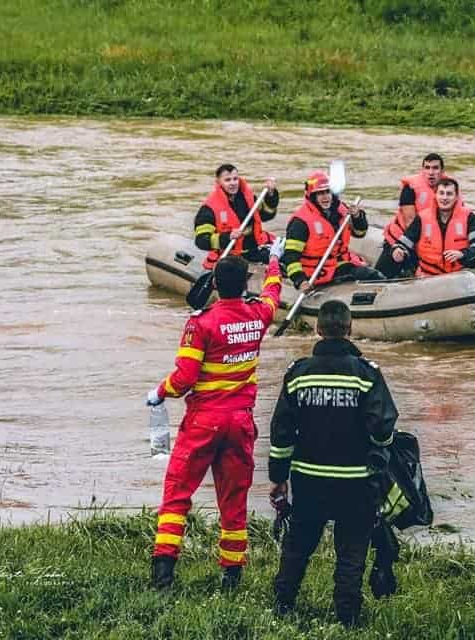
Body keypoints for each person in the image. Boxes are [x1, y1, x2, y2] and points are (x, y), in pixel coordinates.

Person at [146, 237, 286, 591]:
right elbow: (273, 294)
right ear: (244, 284)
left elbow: (183, 379)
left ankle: (163, 574)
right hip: (240, 422)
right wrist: (273, 261)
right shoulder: (258, 314)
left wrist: (159, 392)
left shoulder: (201, 324)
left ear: (214, 285)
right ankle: (231, 576)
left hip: (203, 422)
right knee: (234, 500)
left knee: (177, 494)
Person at [268, 300, 399, 627]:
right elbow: (383, 426)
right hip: (356, 481)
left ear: (317, 329)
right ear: (350, 328)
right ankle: (347, 616)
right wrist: (380, 455)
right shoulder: (367, 374)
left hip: (308, 479)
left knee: (298, 543)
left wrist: (278, 477)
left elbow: (281, 431)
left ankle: (283, 602)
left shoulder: (298, 374)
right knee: (352, 549)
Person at [282, 170, 385, 291]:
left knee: (373, 274)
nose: (325, 196)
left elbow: (360, 233)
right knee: (370, 275)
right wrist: (300, 280)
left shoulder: (342, 210)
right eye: (320, 193)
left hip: (339, 262)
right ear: (312, 196)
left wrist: (357, 217)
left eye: (327, 192)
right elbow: (291, 256)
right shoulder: (300, 222)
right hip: (316, 270)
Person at [374, 153, 452, 279]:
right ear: (422, 170)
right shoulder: (410, 188)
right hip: (401, 240)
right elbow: (411, 223)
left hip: (430, 243)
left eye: (435, 168)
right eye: (427, 168)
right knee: (380, 277)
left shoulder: (449, 191)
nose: (431, 172)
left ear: (442, 171)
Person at [391, 177, 475, 277]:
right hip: (427, 276)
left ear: (456, 197)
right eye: (441, 193)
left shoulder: (469, 217)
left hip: (459, 276)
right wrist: (398, 250)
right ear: (435, 195)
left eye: (449, 194)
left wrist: (463, 254)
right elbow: (404, 242)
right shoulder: (422, 217)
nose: (445, 198)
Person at [195, 164, 280, 271]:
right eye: (227, 180)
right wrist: (227, 237)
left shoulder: (248, 198)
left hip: (254, 249)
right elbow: (201, 240)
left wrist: (271, 195)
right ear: (218, 182)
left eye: (235, 179)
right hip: (230, 255)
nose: (233, 183)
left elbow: (267, 215)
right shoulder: (209, 208)